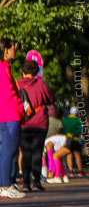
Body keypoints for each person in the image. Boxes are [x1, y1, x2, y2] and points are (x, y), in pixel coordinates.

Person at [18, 59, 55, 191]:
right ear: (36, 71)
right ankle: (37, 182)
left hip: (23, 123)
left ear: (23, 71)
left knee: (25, 152)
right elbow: (51, 99)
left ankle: (26, 183)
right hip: (40, 122)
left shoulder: (17, 84)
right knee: (37, 152)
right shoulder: (41, 84)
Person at [0, 38, 24, 199]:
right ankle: (5, 186)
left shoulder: (5, 68)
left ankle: (5, 184)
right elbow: (10, 94)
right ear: (6, 50)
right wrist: (22, 109)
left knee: (7, 151)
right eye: (14, 48)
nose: (16, 50)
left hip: (7, 115)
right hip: (10, 115)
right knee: (9, 150)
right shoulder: (3, 69)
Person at [61, 106, 84, 177]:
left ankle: (71, 171)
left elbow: (62, 128)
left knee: (69, 154)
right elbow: (81, 130)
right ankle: (80, 171)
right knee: (77, 155)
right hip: (76, 139)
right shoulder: (79, 121)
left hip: (67, 139)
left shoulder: (65, 120)